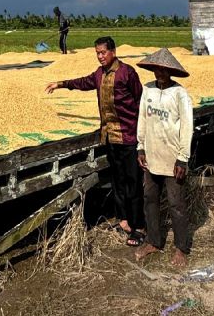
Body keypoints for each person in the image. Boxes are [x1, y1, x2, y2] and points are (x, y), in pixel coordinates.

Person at [45, 36, 145, 246]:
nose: (100, 56)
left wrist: (141, 132)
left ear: (113, 52)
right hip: (109, 137)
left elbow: (140, 100)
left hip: (128, 136)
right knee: (117, 181)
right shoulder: (99, 74)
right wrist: (60, 84)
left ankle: (139, 227)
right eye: (97, 53)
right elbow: (83, 82)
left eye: (103, 52)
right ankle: (124, 220)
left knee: (133, 182)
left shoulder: (127, 72)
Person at [134, 48, 193, 267]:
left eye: (164, 70)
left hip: (172, 158)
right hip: (152, 155)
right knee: (150, 199)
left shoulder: (179, 94)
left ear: (171, 71)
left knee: (176, 203)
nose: (160, 73)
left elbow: (187, 126)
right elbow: (142, 119)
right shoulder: (148, 90)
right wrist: (141, 147)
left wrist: (182, 158)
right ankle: (154, 241)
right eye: (157, 69)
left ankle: (181, 248)